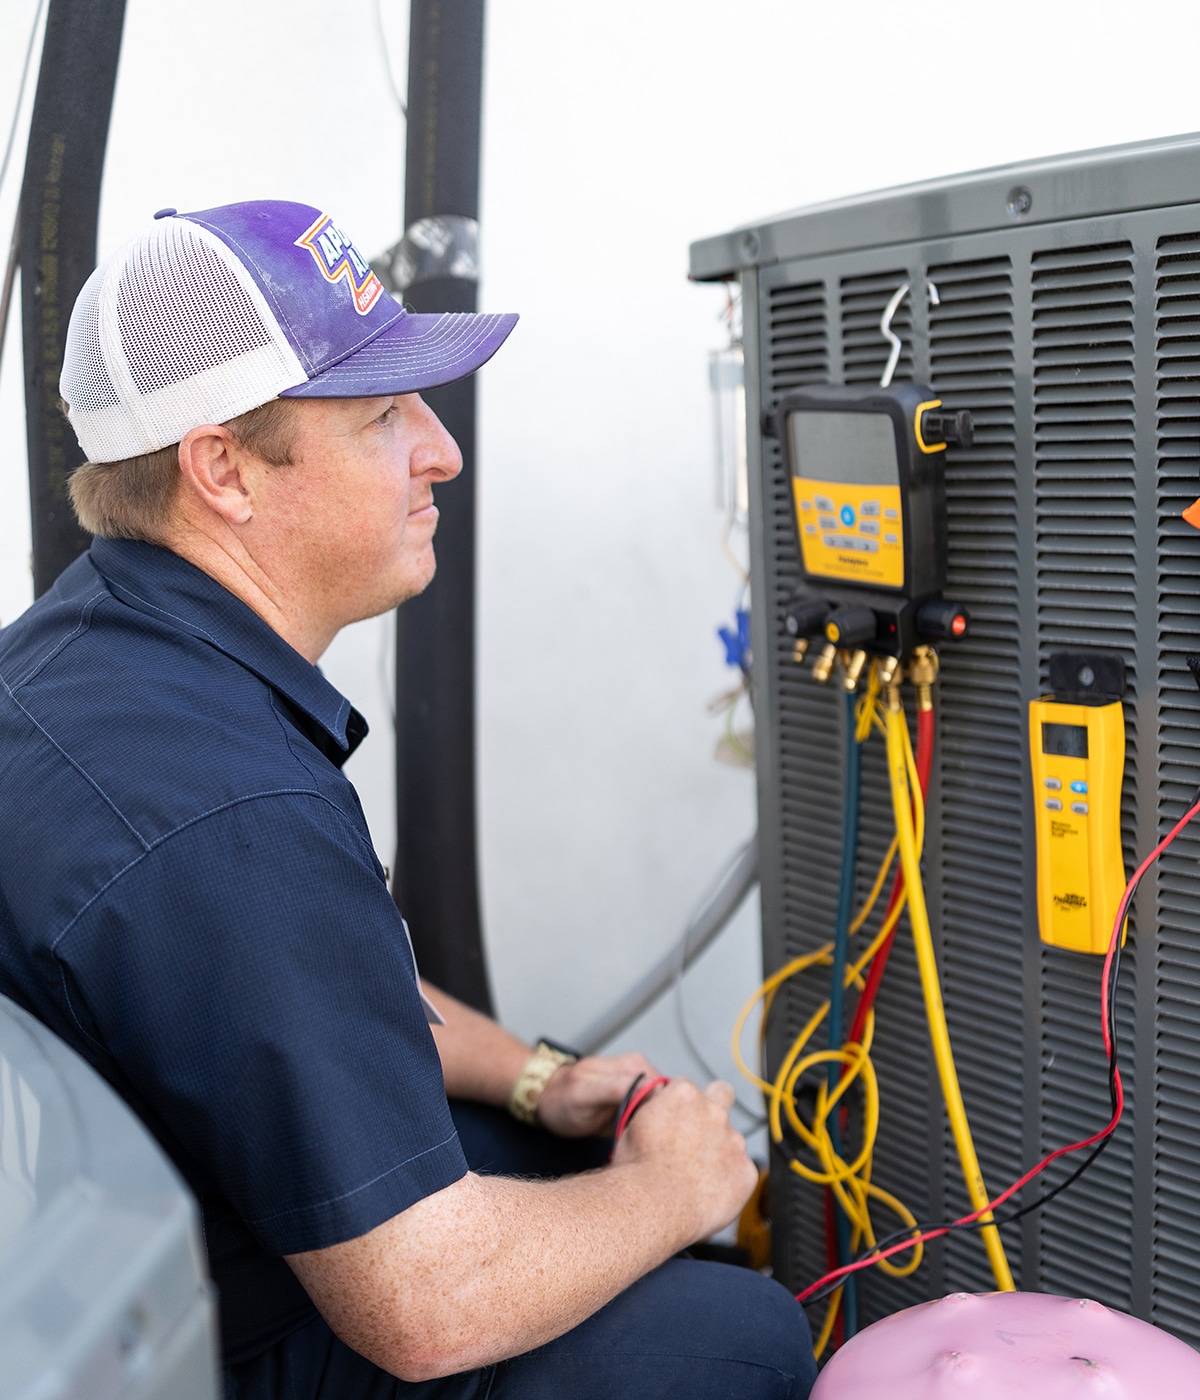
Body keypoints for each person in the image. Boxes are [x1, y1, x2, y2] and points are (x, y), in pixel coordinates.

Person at [0, 200, 816, 1399]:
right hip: (205, 1335)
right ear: (221, 467)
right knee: (739, 1335)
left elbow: (308, 988)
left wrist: (534, 1075)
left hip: (158, 1212)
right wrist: (678, 1184)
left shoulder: (84, 652)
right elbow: (426, 1308)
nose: (442, 449)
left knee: (535, 1143)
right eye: (385, 415)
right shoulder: (231, 814)